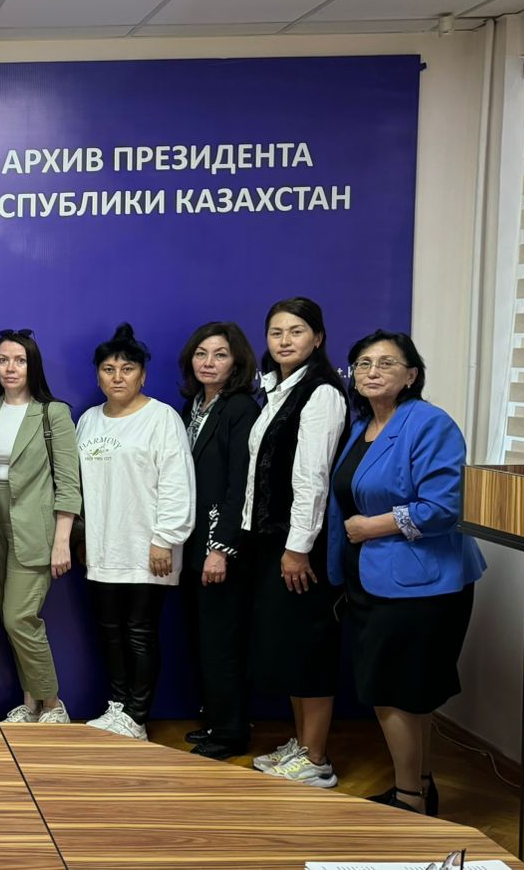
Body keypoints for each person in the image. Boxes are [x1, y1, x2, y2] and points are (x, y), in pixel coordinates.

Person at [330, 331, 483, 816]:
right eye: (363, 363)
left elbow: (443, 507)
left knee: (394, 693)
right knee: (405, 692)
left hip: (422, 584)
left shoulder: (430, 423)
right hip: (373, 577)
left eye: (386, 363)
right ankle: (420, 787)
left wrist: (370, 527)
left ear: (411, 375)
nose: (372, 371)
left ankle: (408, 800)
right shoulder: (363, 425)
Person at [242, 297, 348, 788]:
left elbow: (312, 478)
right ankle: (302, 745)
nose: (285, 340)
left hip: (300, 545)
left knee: (309, 647)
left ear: (318, 338)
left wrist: (297, 547)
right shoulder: (280, 390)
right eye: (276, 332)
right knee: (289, 646)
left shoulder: (321, 393)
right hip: (273, 542)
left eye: (297, 331)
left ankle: (317, 759)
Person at [75, 324, 196, 740]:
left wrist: (166, 539)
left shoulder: (161, 418)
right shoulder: (88, 421)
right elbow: (78, 488)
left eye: (127, 369)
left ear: (142, 375)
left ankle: (137, 716)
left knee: (139, 632)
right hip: (102, 549)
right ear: (98, 376)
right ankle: (118, 705)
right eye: (108, 369)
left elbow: (177, 483)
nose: (117, 377)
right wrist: (81, 538)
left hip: (148, 548)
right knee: (110, 632)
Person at [0, 329, 81, 724]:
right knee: (11, 619)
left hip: (35, 527)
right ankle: (30, 703)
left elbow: (68, 483)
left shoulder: (53, 413)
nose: (10, 368)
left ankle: (53, 704)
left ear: (32, 364)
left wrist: (62, 540)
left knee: (19, 618)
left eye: (19, 360)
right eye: (3, 360)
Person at [176, 322, 262, 760]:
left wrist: (220, 548)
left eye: (220, 354)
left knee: (222, 641)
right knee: (203, 638)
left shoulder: (240, 408)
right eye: (201, 353)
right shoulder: (195, 405)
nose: (209, 363)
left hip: (219, 547)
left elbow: (239, 485)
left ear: (237, 361)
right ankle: (216, 720)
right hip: (192, 544)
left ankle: (231, 732)